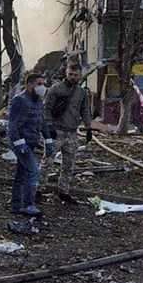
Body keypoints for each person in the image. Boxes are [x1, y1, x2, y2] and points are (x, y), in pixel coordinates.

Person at [43, 63, 92, 204]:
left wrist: (88, 128)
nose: (73, 77)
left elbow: (85, 110)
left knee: (69, 165)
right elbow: (46, 108)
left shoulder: (82, 93)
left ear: (80, 75)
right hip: (57, 131)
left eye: (75, 75)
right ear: (66, 73)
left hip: (72, 133)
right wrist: (49, 126)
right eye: (70, 74)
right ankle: (38, 190)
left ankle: (64, 192)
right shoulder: (55, 89)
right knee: (47, 162)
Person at [8, 73, 53, 216]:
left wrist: (48, 140)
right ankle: (28, 204)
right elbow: (12, 125)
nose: (42, 87)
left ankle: (16, 206)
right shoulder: (19, 100)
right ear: (29, 84)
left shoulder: (38, 101)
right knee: (33, 172)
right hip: (22, 142)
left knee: (21, 173)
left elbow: (42, 121)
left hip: (31, 142)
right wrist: (20, 144)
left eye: (43, 84)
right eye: (39, 84)